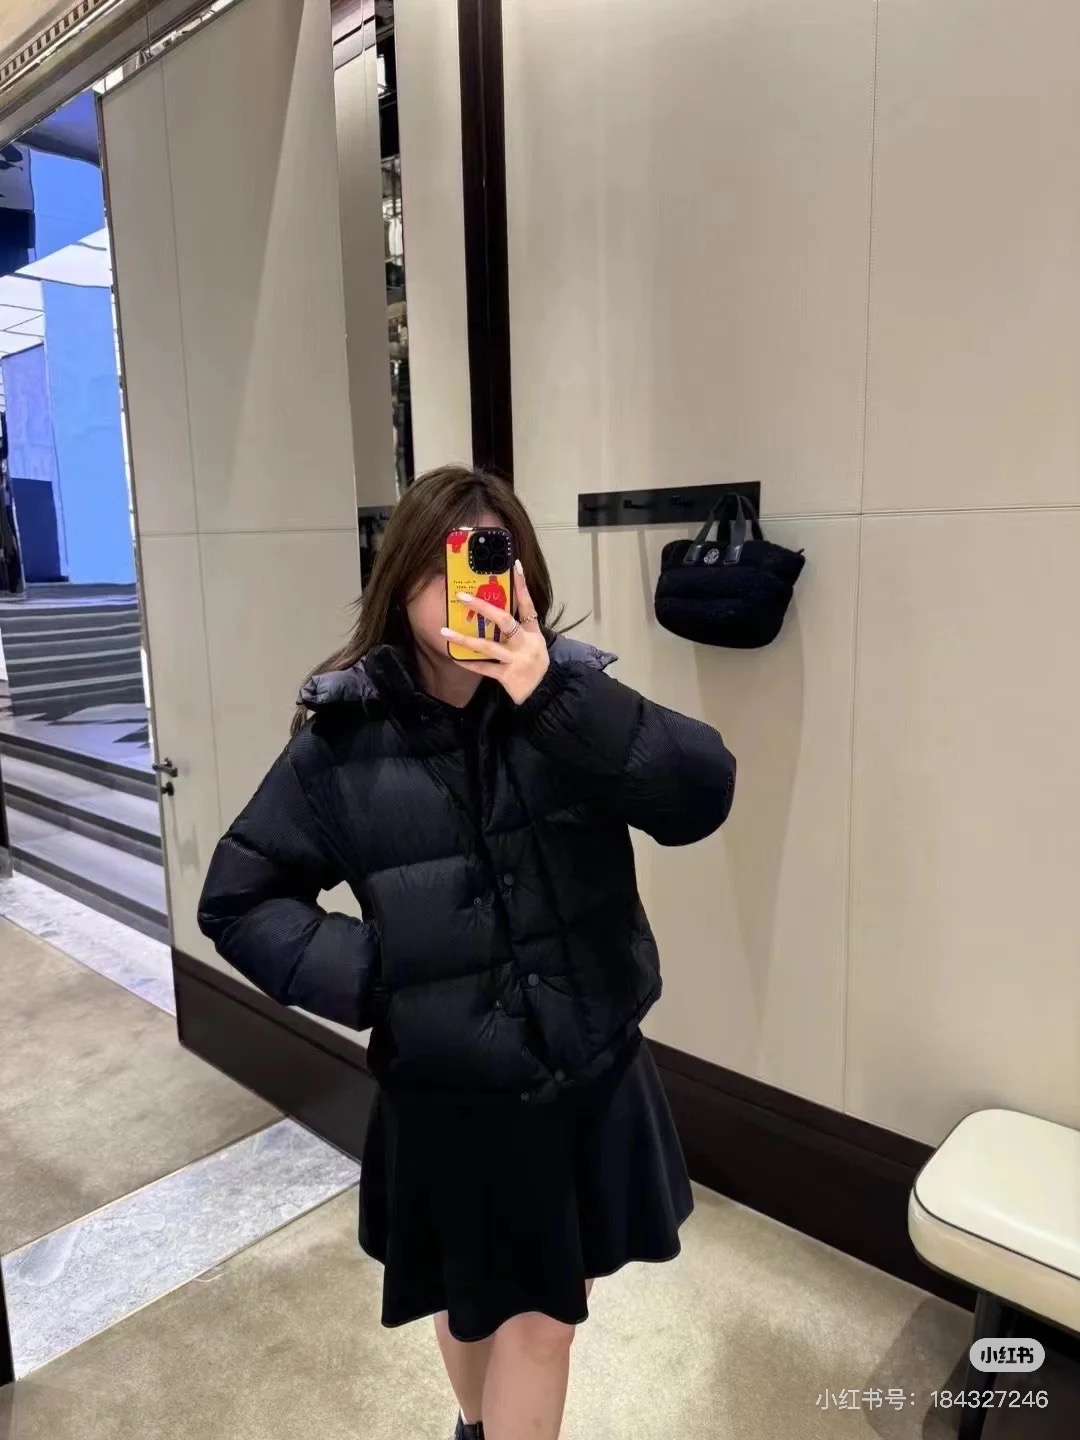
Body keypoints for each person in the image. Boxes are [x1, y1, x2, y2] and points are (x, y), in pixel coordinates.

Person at [197, 466, 736, 1440]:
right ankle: (474, 1423)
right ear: (401, 579)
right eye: (446, 565)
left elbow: (701, 793)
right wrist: (382, 974)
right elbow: (239, 899)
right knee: (472, 1296)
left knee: (548, 1318)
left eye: (492, 558)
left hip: (588, 1067)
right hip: (453, 1091)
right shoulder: (345, 742)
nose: (469, 588)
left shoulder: (569, 700)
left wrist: (547, 691)